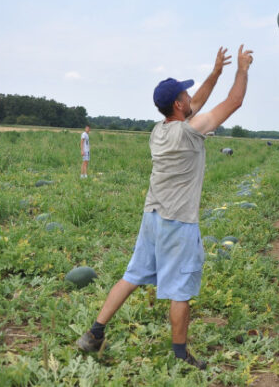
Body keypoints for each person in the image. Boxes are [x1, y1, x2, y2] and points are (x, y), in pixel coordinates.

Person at [76, 45, 253, 370]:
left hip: (152, 217)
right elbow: (233, 103)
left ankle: (94, 333)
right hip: (178, 223)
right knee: (180, 290)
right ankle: (180, 356)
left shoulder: (159, 131)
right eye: (186, 94)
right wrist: (242, 69)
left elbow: (197, 104)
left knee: (132, 276)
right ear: (178, 104)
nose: (190, 97)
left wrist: (216, 72)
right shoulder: (189, 132)